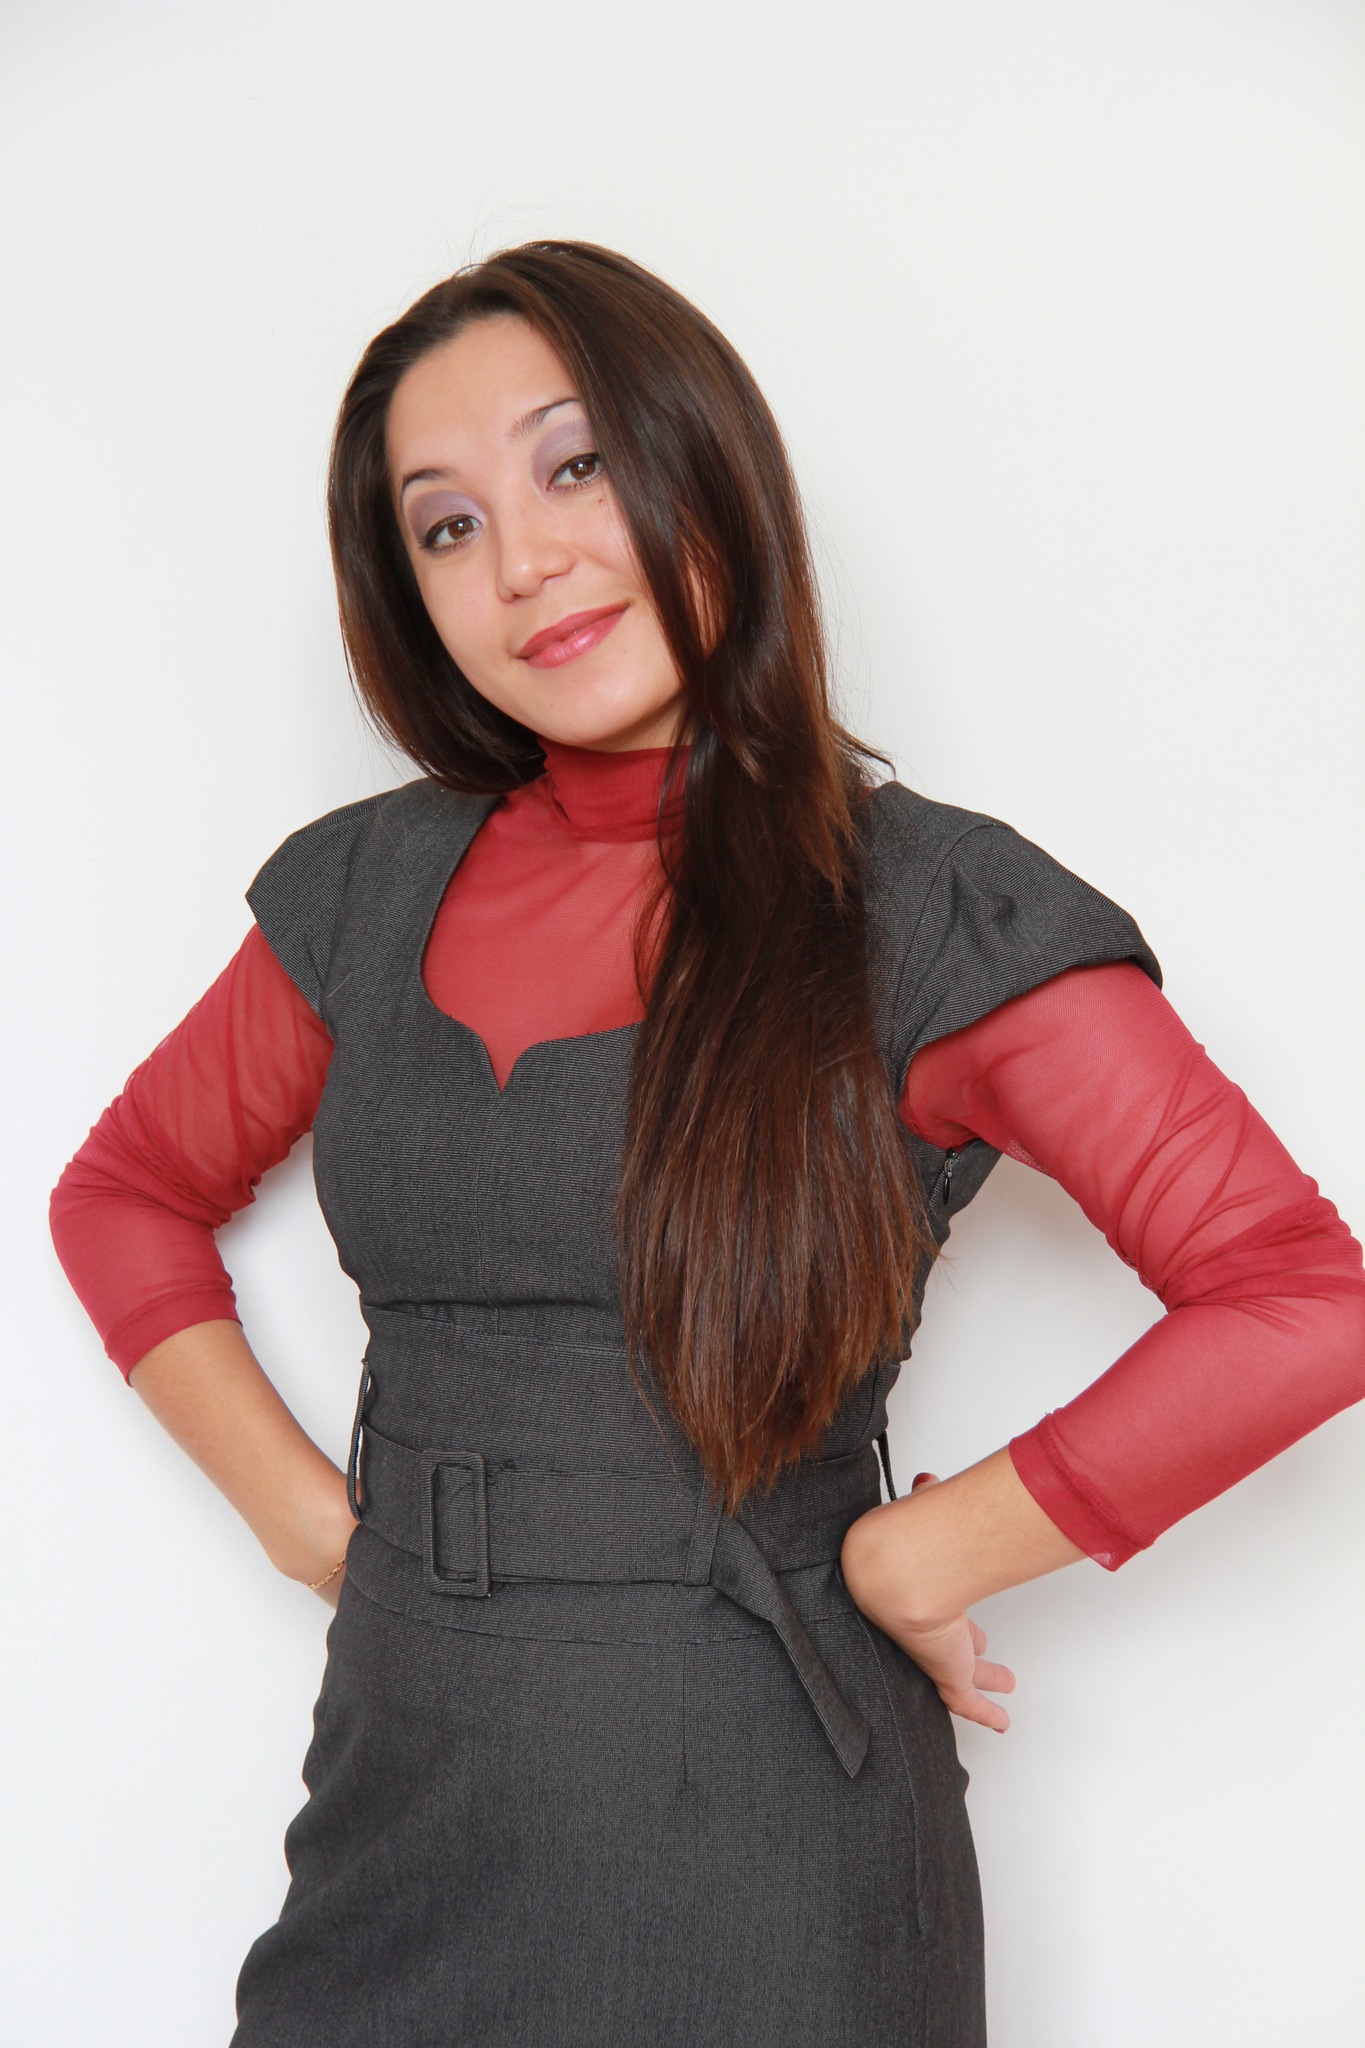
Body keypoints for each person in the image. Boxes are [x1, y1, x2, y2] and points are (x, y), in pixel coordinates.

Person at [49, 241, 1365, 2045]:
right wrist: (308, 1524)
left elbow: (1297, 1296)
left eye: (574, 465)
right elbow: (124, 1194)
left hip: (766, 1809)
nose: (523, 561)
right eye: (446, 526)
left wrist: (924, 1553)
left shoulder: (924, 910)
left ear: (704, 461)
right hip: (402, 1786)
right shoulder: (359, 894)